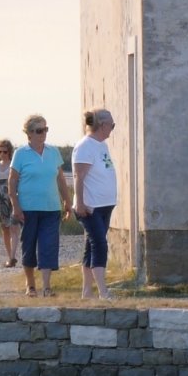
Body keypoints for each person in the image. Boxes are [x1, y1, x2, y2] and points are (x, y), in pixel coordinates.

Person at [8, 114, 71, 297]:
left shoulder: (53, 152)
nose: (43, 134)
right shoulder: (21, 154)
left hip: (51, 208)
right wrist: (16, 206)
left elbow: (60, 179)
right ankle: (30, 285)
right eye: (38, 130)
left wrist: (67, 202)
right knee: (29, 245)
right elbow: (12, 182)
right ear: (29, 134)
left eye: (45, 129)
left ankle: (46, 286)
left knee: (48, 245)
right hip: (28, 208)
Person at [71, 108, 119, 300]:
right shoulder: (85, 146)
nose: (112, 129)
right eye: (112, 126)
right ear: (102, 125)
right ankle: (103, 291)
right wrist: (80, 203)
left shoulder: (101, 145)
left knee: (91, 247)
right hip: (90, 206)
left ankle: (87, 291)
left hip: (104, 204)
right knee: (99, 244)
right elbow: (78, 176)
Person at [0, 138, 19, 268]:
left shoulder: (14, 163)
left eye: (5, 151)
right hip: (0, 198)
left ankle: (13, 256)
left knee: (14, 227)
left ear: (9, 151)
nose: (2, 154)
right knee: (5, 228)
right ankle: (9, 256)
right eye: (0, 151)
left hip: (12, 196)